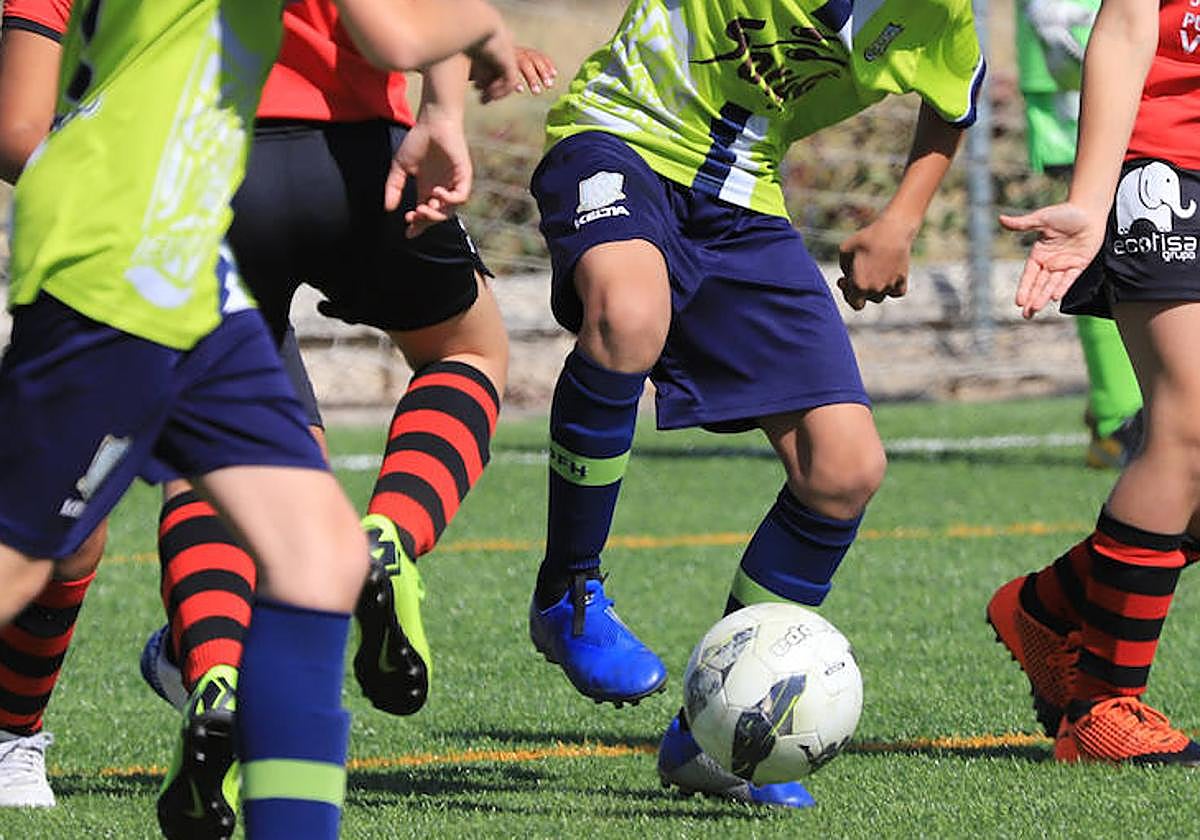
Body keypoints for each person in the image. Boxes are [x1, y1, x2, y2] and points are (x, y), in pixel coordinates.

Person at [0, 0, 549, 831]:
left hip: (196, 247)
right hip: (121, 247)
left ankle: (239, 724)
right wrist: (484, 29)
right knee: (25, 559)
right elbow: (394, 34)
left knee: (319, 558)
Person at [526, 0, 983, 806]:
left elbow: (954, 99)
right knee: (627, 316)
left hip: (741, 195)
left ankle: (713, 742)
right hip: (620, 134)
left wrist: (902, 220)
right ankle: (569, 594)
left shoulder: (940, 13)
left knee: (843, 468)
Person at [988, 0, 1200, 764]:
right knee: (1190, 427)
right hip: (1165, 166)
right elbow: (1126, 26)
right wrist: (1090, 197)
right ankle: (1102, 710)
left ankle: (1047, 608)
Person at [1016, 0, 1144, 468]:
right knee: (1107, 253)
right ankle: (1118, 419)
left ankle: (1123, 405)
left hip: (1153, 90)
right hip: (1086, 93)